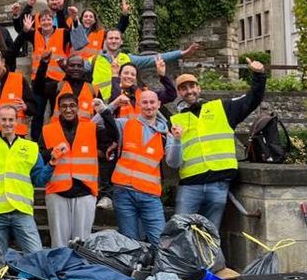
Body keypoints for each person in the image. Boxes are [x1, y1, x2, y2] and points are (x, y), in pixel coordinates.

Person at [170, 58, 267, 228]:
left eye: (192, 86)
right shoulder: (175, 120)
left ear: (199, 88)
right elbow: (172, 160)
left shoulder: (222, 108)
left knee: (211, 235)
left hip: (218, 184)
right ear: (179, 93)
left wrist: (258, 75)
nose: (189, 91)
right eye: (183, 88)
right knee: (179, 233)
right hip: (190, 185)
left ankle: (209, 256)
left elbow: (252, 99)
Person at [0, 105, 52, 254]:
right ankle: (0, 278)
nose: (7, 123)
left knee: (36, 254)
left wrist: (51, 165)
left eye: (11, 119)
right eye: (4, 119)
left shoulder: (31, 147)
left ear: (17, 121)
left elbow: (39, 180)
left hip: (21, 209)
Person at [40, 93, 118, 248]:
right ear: (59, 109)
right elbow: (40, 156)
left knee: (82, 244)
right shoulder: (47, 130)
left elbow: (113, 135)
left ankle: (79, 272)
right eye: (64, 106)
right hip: (57, 191)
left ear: (78, 107)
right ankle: (60, 271)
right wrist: (51, 154)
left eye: (72, 105)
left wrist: (105, 112)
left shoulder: (90, 127)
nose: (68, 109)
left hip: (85, 191)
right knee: (59, 244)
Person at [108, 90, 182, 247]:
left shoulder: (165, 134)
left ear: (158, 105)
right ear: (138, 105)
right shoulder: (125, 123)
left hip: (150, 195)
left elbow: (174, 163)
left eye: (152, 102)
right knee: (129, 243)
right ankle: (135, 271)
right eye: (145, 102)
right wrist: (113, 104)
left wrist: (177, 141)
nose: (149, 106)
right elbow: (97, 122)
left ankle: (161, 271)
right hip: (124, 192)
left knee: (160, 242)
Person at [85, 27, 197, 101]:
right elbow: (73, 69)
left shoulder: (127, 58)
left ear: (121, 41)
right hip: (102, 105)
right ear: (105, 41)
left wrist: (181, 53)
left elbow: (154, 59)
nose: (113, 41)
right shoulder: (94, 60)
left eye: (116, 38)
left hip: (126, 102)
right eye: (110, 38)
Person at [21, 9, 72, 140]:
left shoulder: (62, 33)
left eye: (48, 19)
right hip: (39, 81)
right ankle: (35, 142)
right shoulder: (34, 34)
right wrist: (26, 29)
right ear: (39, 22)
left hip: (57, 81)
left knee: (57, 113)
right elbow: (23, 35)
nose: (46, 22)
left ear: (52, 20)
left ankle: (56, 139)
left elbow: (76, 35)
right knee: (38, 114)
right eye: (43, 19)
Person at [36, 54, 98, 122]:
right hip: (59, 131)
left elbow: (99, 115)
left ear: (83, 69)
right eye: (72, 65)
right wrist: (43, 64)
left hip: (85, 131)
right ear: (66, 68)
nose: (76, 68)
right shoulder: (57, 87)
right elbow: (38, 89)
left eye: (79, 66)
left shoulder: (93, 89)